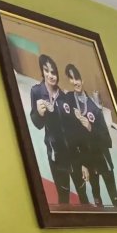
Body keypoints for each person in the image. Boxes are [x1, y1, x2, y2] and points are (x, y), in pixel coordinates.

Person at [29, 55, 89, 205]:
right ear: (42, 72)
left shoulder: (64, 97)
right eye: (47, 71)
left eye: (54, 72)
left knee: (83, 197)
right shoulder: (36, 91)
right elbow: (38, 124)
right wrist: (39, 113)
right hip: (57, 158)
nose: (51, 75)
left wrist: (83, 162)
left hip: (74, 157)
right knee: (63, 198)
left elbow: (75, 131)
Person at [64, 64, 117, 207]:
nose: (75, 82)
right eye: (71, 78)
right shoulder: (70, 100)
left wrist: (90, 128)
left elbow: (107, 140)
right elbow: (71, 134)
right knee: (97, 199)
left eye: (77, 78)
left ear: (82, 80)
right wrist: (82, 163)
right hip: (87, 159)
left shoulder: (94, 107)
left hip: (102, 156)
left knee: (115, 200)